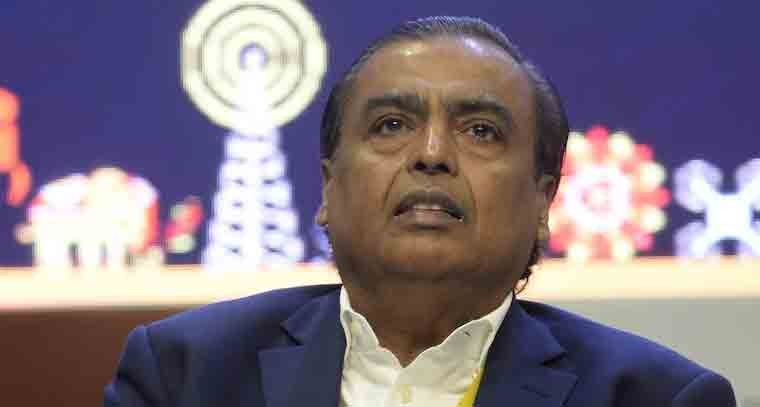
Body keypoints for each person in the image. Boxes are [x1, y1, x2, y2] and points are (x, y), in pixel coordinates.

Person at [105, 16, 736, 406]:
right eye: (390, 125)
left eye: (481, 131)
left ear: (544, 202)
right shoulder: (186, 374)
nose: (432, 154)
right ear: (327, 189)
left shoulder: (653, 397)